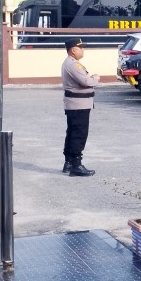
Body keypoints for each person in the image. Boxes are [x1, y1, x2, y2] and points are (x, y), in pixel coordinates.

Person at [61, 38, 99, 177]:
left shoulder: (72, 63)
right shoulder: (73, 65)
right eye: (80, 48)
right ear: (73, 50)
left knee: (72, 132)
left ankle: (69, 162)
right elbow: (85, 81)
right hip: (78, 105)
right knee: (79, 134)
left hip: (76, 104)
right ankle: (76, 165)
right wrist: (96, 78)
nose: (83, 50)